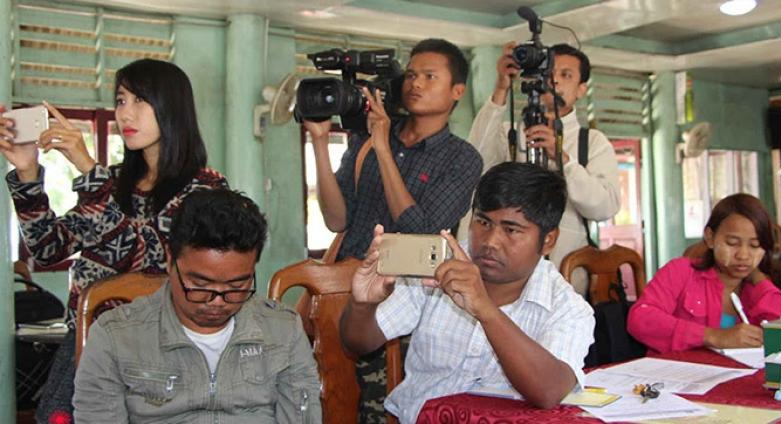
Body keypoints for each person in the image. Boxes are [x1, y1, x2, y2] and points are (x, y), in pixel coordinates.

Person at [0, 58, 227, 422]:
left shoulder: (204, 188)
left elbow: (146, 256)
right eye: (121, 101)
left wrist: (89, 171)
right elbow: (48, 249)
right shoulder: (113, 182)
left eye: (141, 101)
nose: (126, 114)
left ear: (172, 108)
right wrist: (27, 173)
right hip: (86, 342)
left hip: (158, 354)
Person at [304, 38, 483, 422]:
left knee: (381, 410)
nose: (416, 83)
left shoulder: (461, 158)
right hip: (348, 291)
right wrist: (320, 142)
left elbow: (422, 230)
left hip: (406, 306)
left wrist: (384, 149)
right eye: (413, 74)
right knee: (328, 402)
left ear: (457, 91)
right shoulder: (366, 139)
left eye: (430, 76)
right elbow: (337, 220)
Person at [339, 162, 594, 423]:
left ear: (548, 240)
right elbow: (357, 342)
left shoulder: (567, 306)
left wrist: (485, 309)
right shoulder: (436, 267)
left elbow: (549, 391)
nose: (490, 242)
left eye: (511, 230)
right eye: (482, 222)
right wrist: (362, 305)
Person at [73, 188, 321, 422]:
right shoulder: (116, 336)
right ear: (170, 260)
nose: (218, 300)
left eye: (237, 285)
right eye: (200, 284)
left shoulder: (283, 330)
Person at [462, 42, 620, 296]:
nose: (554, 81)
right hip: (501, 281)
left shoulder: (591, 142)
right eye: (549, 73)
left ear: (581, 89)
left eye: (566, 75)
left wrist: (564, 161)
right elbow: (472, 164)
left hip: (565, 280)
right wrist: (501, 88)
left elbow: (605, 207)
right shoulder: (509, 132)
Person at [628, 194, 781, 354]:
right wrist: (714, 336)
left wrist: (761, 282)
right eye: (732, 243)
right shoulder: (681, 272)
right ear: (710, 237)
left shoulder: (759, 288)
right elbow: (640, 319)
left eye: (755, 246)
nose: (743, 255)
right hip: (674, 380)